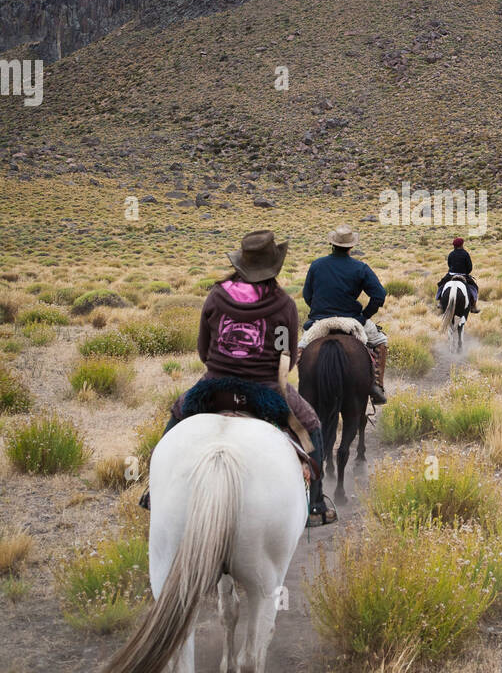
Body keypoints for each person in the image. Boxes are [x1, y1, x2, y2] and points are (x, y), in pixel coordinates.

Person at [144, 230, 334, 526]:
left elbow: (203, 350)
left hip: (213, 387)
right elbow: (286, 359)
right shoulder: (283, 304)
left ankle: (153, 489)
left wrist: (223, 365)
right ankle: (316, 505)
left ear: (241, 263)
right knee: (311, 424)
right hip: (267, 390)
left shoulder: (217, 296)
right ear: (273, 266)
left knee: (177, 415)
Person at [302, 223, 388, 404]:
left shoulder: (316, 265)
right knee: (381, 343)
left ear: (332, 244)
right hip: (352, 321)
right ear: (351, 246)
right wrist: (364, 316)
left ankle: (304, 386)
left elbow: (307, 295)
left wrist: (319, 311)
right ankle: (377, 386)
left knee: (301, 349)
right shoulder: (360, 267)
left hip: (321, 321)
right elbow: (379, 295)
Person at [437, 236, 479, 312]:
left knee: (441, 284)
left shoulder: (451, 254)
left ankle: (440, 301)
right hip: (463, 275)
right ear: (462, 245)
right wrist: (466, 273)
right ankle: (473, 305)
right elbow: (469, 267)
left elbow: (449, 264)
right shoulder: (465, 254)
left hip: (451, 274)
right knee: (474, 287)